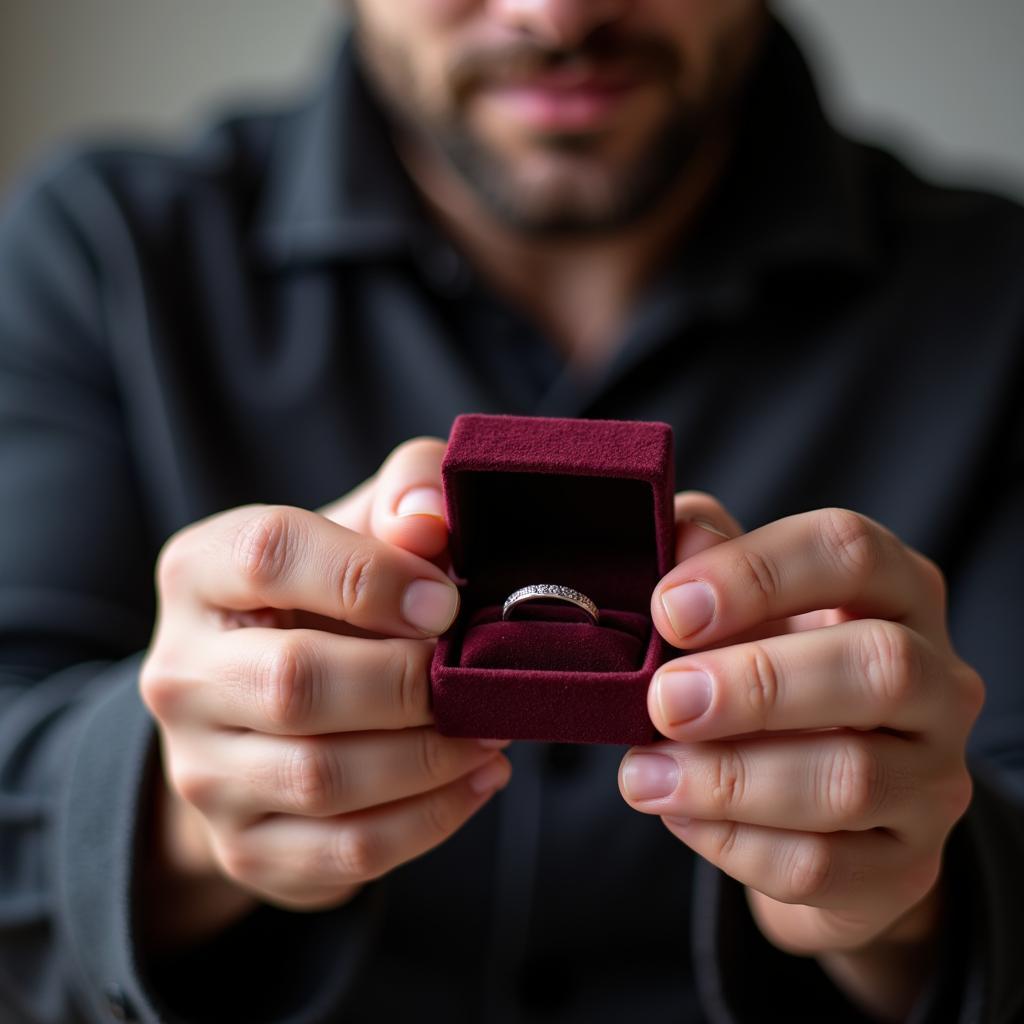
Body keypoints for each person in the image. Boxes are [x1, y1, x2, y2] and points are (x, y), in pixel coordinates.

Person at [0, 1, 1022, 1021]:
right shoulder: (104, 254)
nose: (557, 14)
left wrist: (918, 908)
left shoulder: (996, 298)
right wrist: (162, 815)